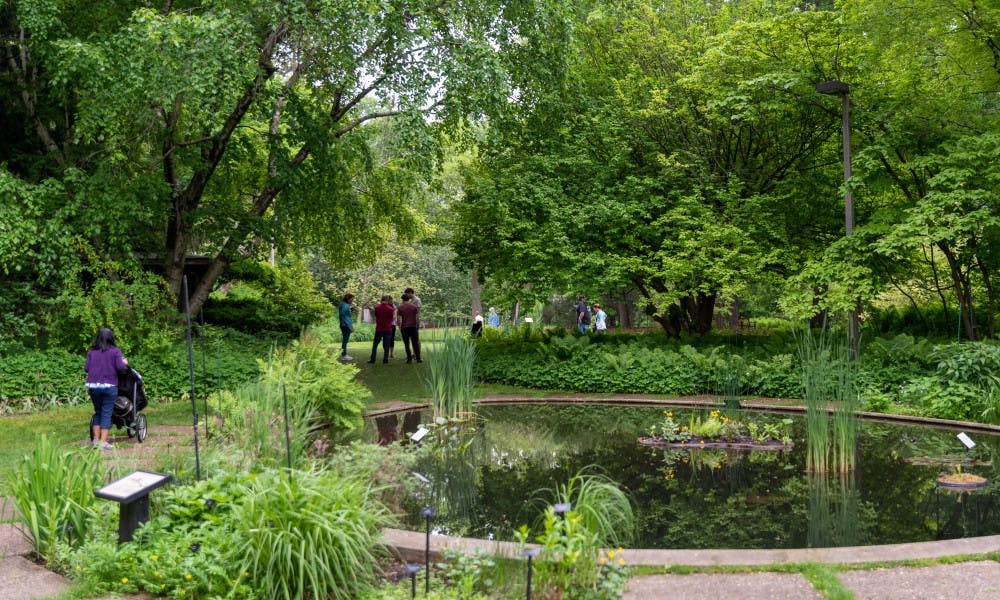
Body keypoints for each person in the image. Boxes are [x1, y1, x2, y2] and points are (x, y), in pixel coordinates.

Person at [85, 327, 128, 450]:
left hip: (93, 386)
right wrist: (124, 362)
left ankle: (96, 441)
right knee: (106, 413)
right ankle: (103, 442)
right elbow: (120, 368)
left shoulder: (91, 352)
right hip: (109, 386)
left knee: (98, 412)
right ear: (111, 338)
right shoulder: (115, 351)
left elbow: (86, 368)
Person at [369, 295, 396, 364]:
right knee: (386, 345)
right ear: (387, 301)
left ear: (381, 300)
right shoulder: (390, 309)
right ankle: (385, 359)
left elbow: (376, 316)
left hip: (379, 328)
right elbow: (392, 318)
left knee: (375, 345)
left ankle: (372, 359)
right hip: (387, 328)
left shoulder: (377, 308)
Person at [396, 293, 422, 363]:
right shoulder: (414, 307)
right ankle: (418, 358)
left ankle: (409, 359)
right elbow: (417, 317)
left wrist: (399, 326)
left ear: (402, 299)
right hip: (413, 327)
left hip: (405, 327)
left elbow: (398, 319)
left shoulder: (400, 307)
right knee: (415, 343)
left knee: (407, 344)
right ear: (409, 299)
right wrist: (416, 326)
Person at [338, 293, 355, 360]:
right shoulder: (345, 305)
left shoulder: (343, 304)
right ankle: (344, 355)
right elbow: (341, 314)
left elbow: (345, 314)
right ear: (348, 299)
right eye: (351, 299)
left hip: (346, 324)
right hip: (346, 324)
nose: (352, 301)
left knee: (345, 340)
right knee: (345, 340)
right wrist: (342, 322)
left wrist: (350, 311)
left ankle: (344, 354)